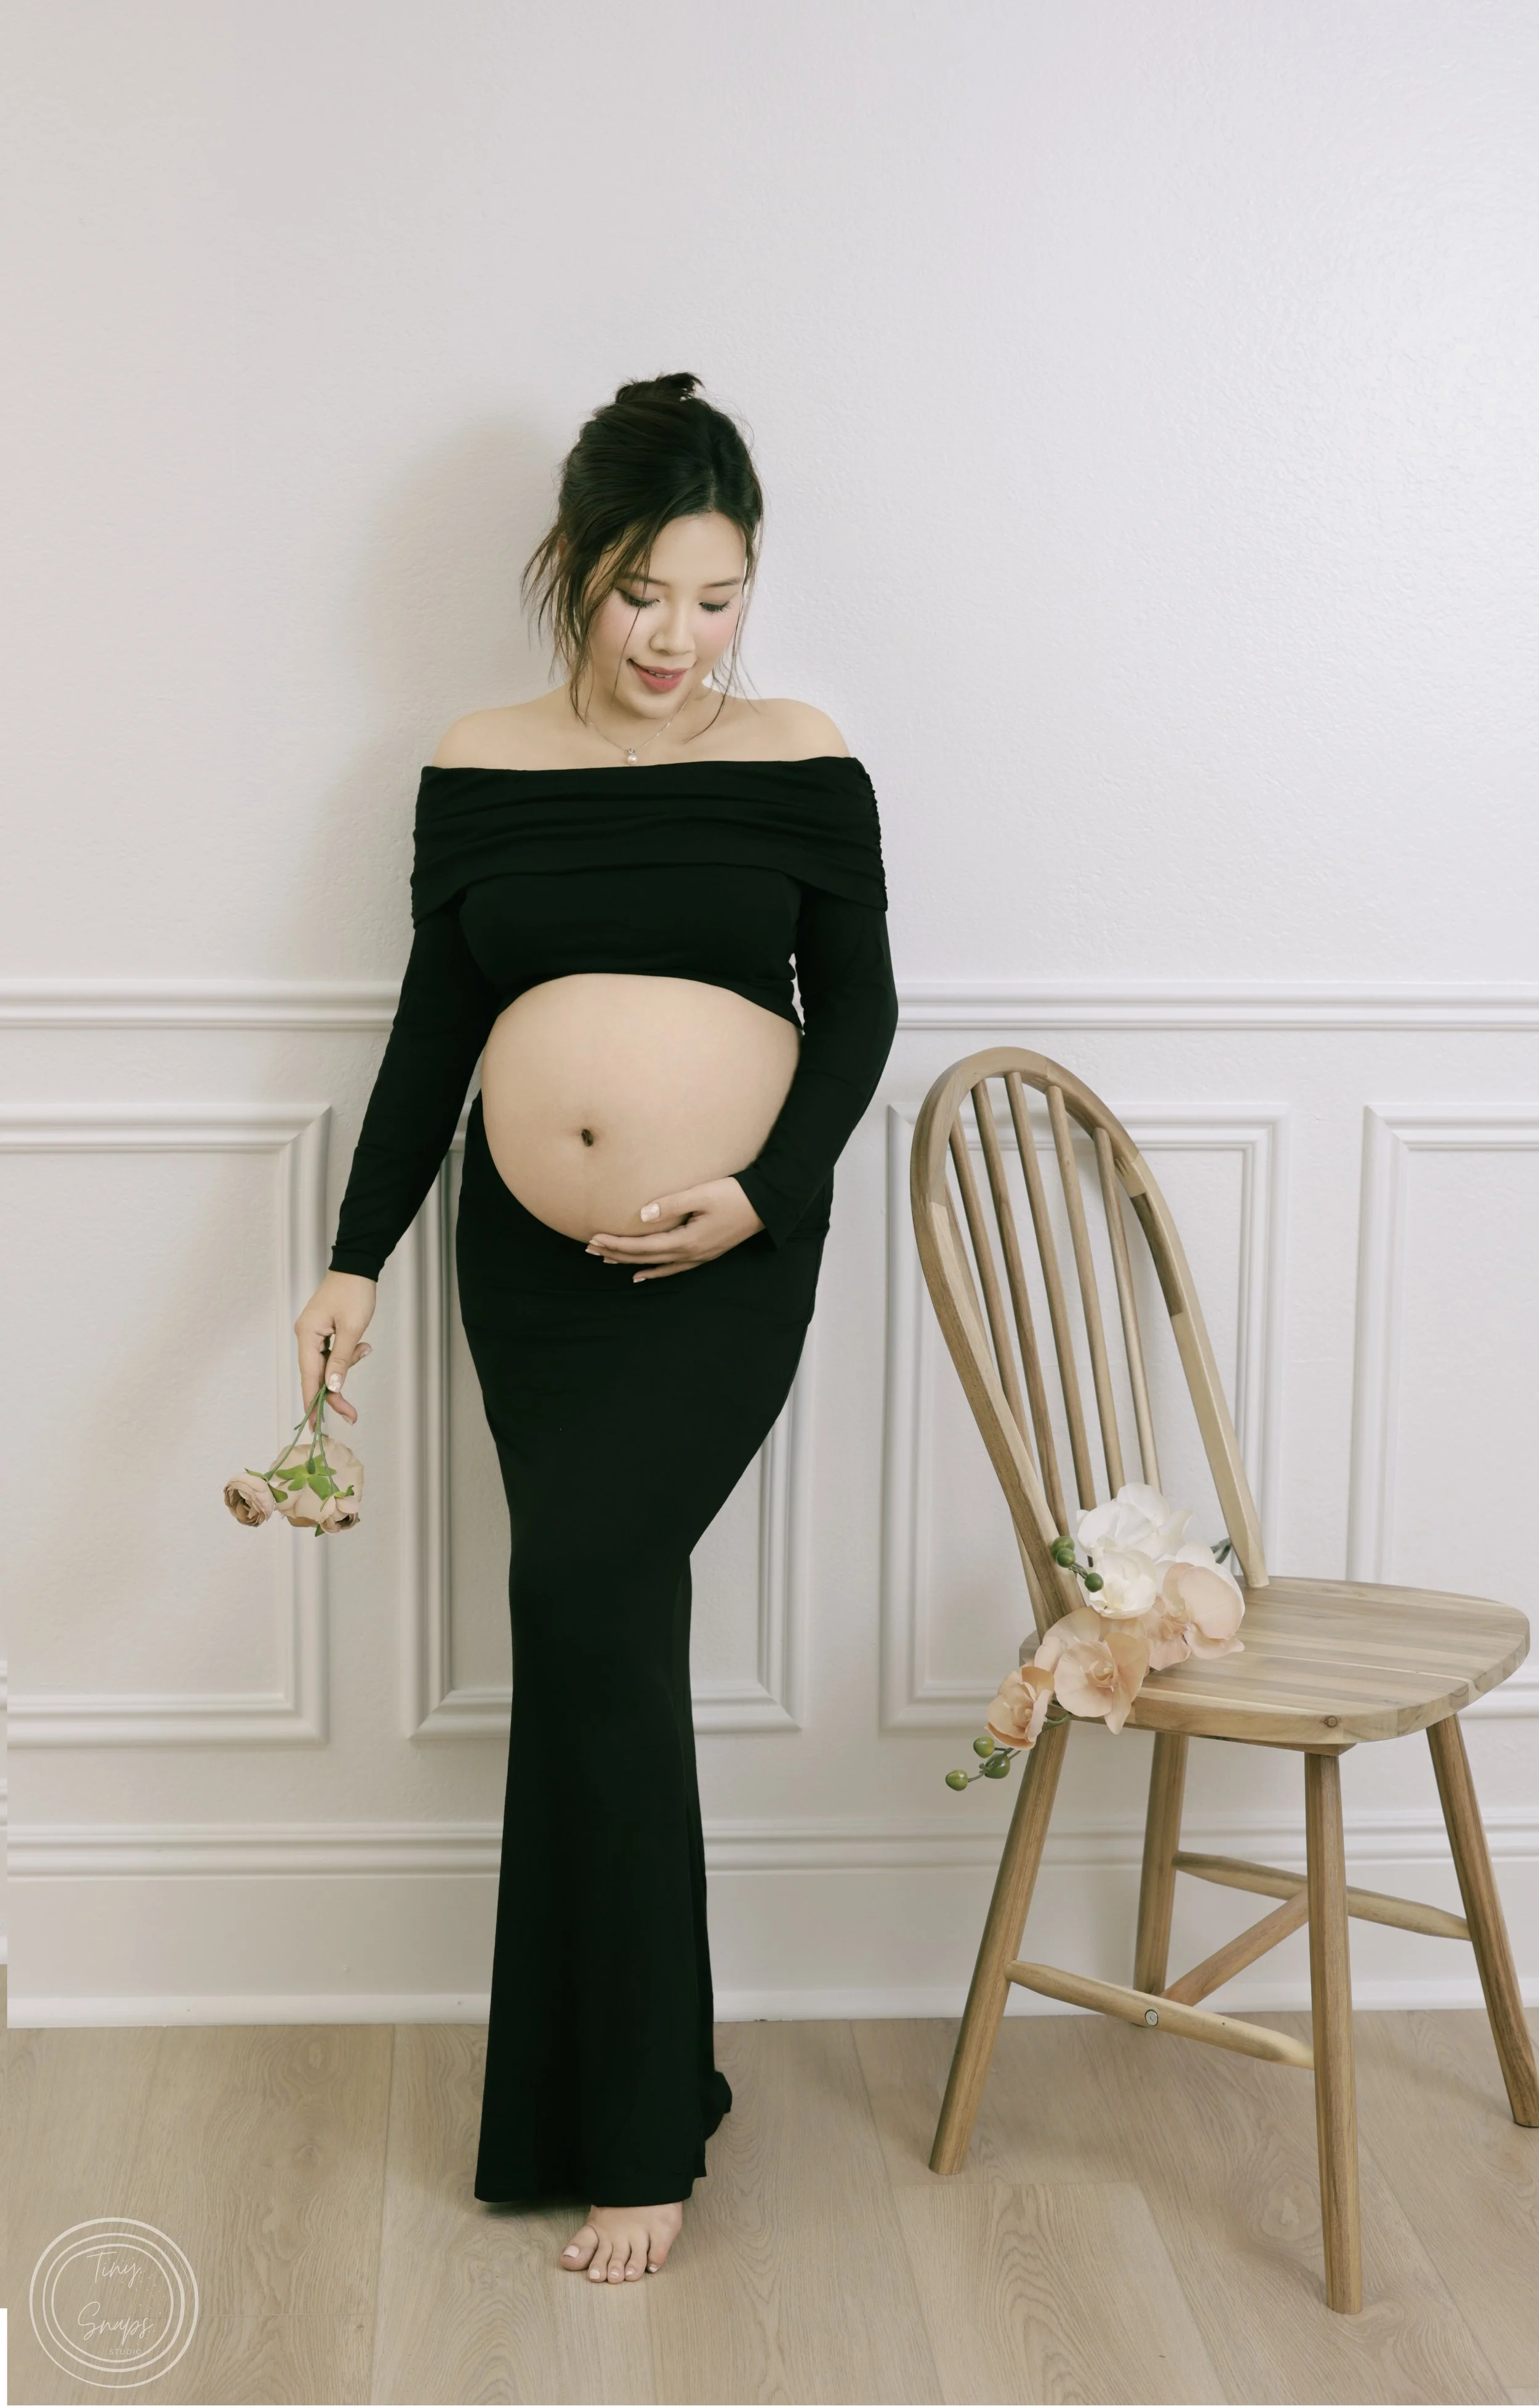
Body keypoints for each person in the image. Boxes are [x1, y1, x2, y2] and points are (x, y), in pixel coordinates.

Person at [292, 371, 899, 2284]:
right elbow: (430, 1038)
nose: (677, 638)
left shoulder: (802, 755)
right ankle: (616, 2094)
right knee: (595, 1628)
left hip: (722, 1262)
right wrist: (354, 1258)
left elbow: (862, 1015)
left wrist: (764, 1195)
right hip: (531, 1276)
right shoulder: (475, 761)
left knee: (578, 1601)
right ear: (575, 571)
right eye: (643, 592)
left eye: (715, 597)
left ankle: (629, 2124)